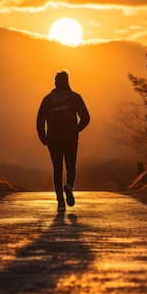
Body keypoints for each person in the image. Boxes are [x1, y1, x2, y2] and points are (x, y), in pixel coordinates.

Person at [36, 70, 90, 211]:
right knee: (71, 166)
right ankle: (69, 187)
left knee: (57, 168)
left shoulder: (48, 99)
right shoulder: (75, 97)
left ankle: (60, 200)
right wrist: (76, 130)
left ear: (55, 82)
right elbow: (86, 117)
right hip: (70, 138)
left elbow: (40, 120)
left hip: (53, 138)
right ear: (67, 82)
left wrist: (43, 137)